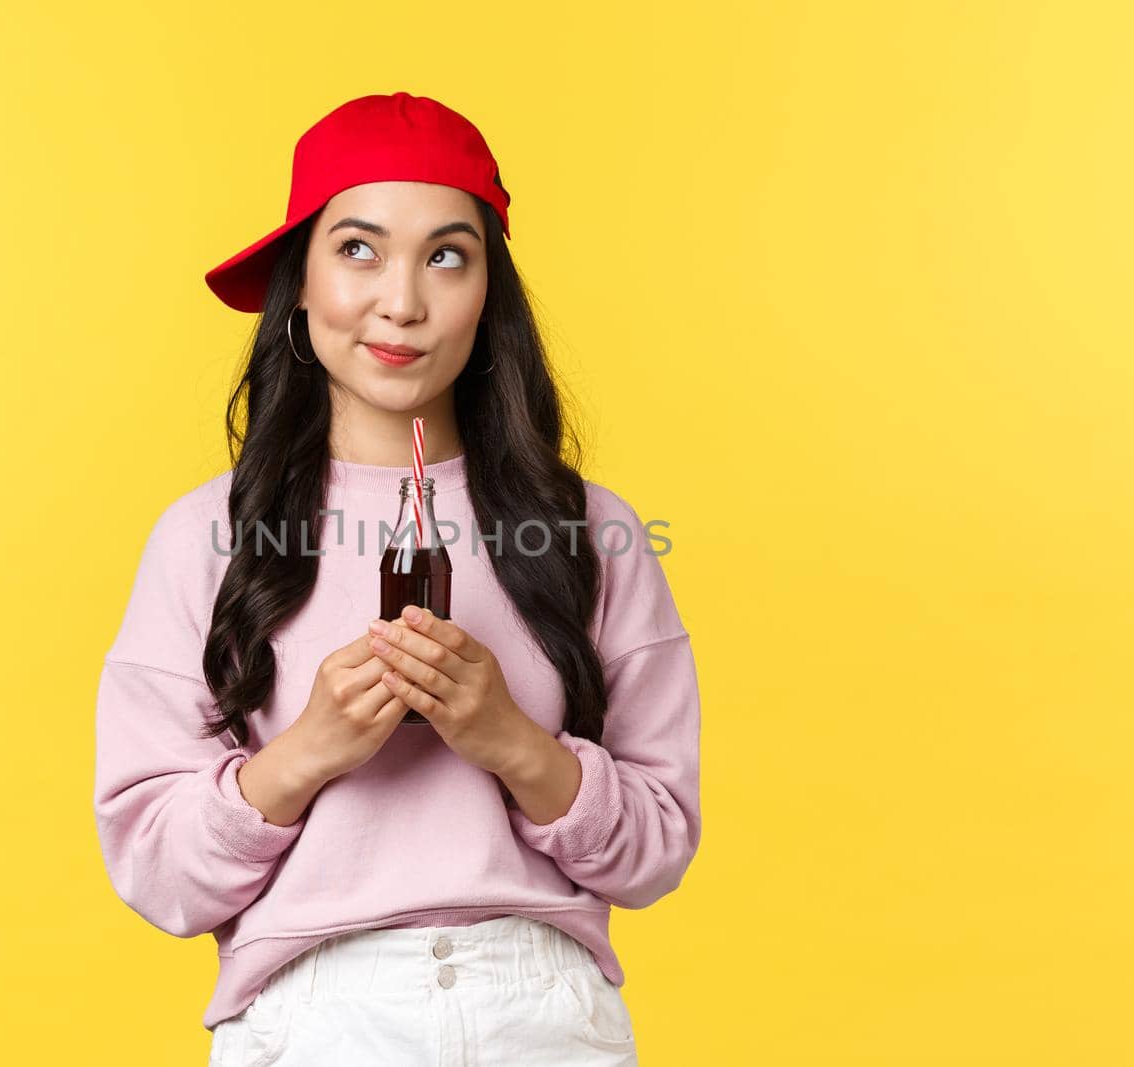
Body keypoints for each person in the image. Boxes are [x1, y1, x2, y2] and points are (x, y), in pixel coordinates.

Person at [93, 91, 702, 1067]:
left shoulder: (593, 530)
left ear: (488, 294)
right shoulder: (206, 536)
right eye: (359, 249)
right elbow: (158, 871)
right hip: (309, 1012)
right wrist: (309, 750)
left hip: (541, 1012)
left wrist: (506, 738)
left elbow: (656, 849)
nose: (403, 301)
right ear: (300, 282)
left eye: (447, 255)